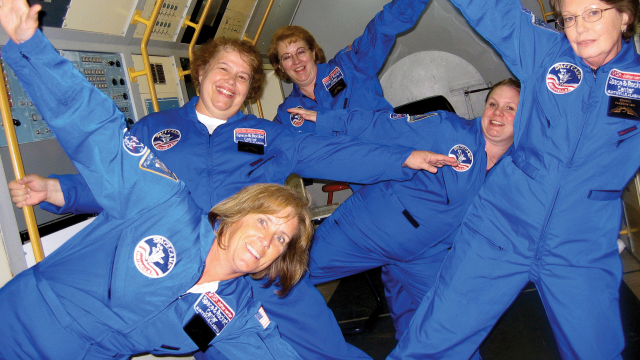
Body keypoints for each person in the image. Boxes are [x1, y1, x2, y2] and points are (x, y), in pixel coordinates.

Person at [6, 3, 456, 360]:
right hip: (177, 276)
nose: (232, 81)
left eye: (244, 77)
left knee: (322, 348)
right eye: (223, 69)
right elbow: (114, 181)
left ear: (251, 90)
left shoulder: (269, 134)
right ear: (200, 72)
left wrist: (403, 159)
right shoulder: (154, 130)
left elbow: (333, 154)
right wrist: (58, 192)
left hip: (255, 271)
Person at [0, 2, 310, 358]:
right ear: (237, 212)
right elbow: (96, 132)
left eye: (282, 238)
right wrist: (29, 44)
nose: (267, 240)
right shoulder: (164, 202)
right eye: (263, 221)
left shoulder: (230, 308)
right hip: (25, 325)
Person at [387, 0, 640, 358]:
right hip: (502, 226)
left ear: (625, 16)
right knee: (432, 342)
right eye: (569, 17)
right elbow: (493, 10)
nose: (579, 28)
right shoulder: (548, 54)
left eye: (593, 13)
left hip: (581, 243)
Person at [287, 79, 519, 341]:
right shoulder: (448, 129)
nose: (498, 112)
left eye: (510, 108)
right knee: (286, 274)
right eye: (493, 104)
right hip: (370, 228)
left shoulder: (516, 169)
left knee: (452, 330)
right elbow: (384, 126)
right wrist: (327, 120)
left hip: (424, 254)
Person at [268, 0, 430, 134]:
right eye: (286, 57)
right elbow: (265, 145)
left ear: (313, 53)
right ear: (280, 67)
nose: (296, 61)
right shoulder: (287, 113)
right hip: (349, 170)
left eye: (301, 52)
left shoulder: (349, 64)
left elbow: (381, 29)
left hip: (392, 148)